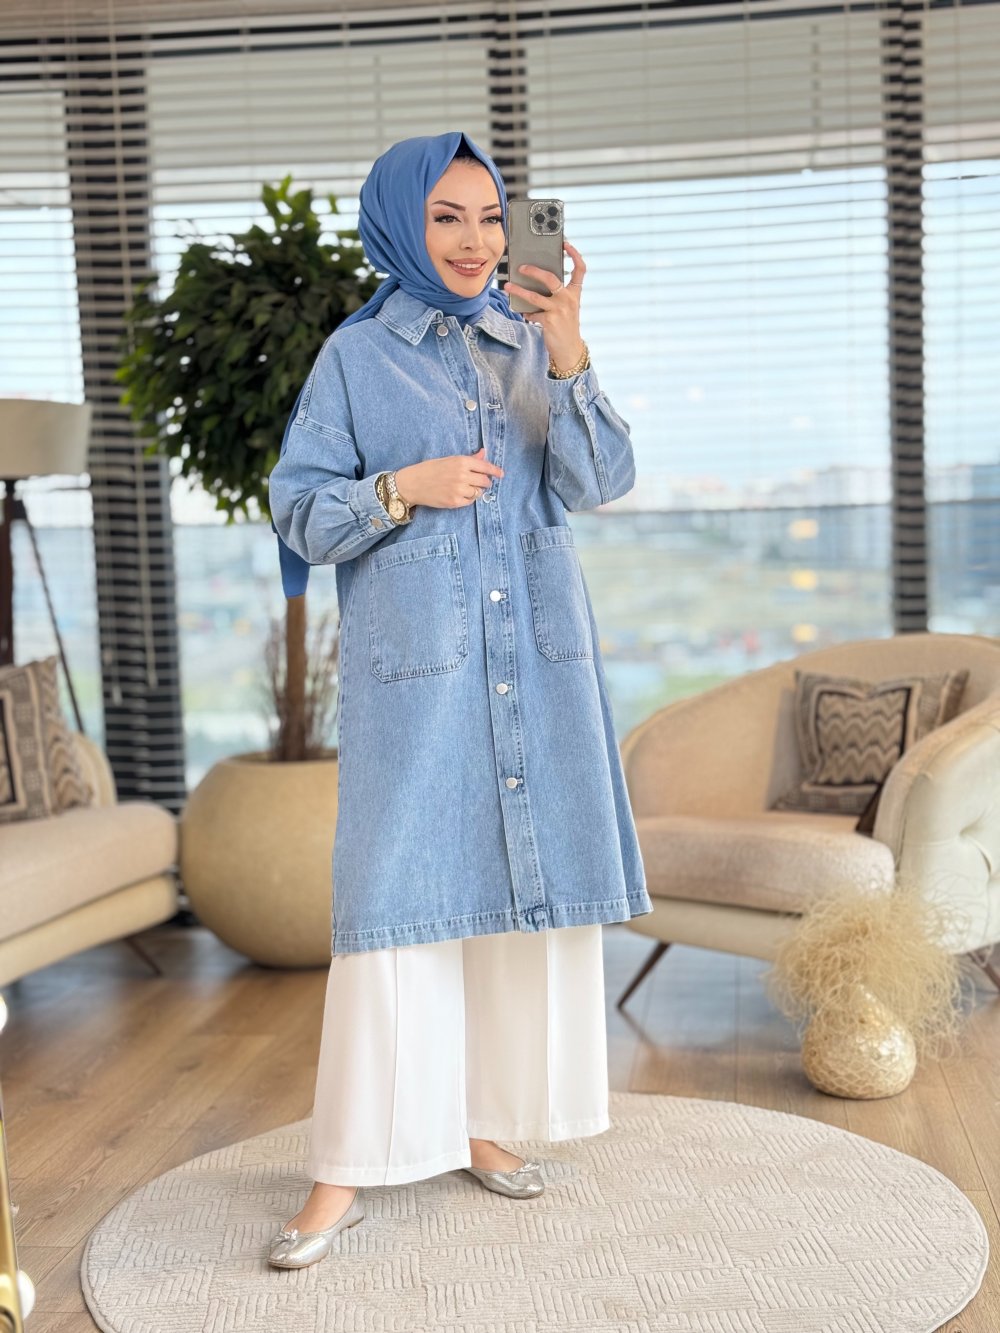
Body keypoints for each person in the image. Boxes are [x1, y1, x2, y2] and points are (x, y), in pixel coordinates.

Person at [265, 131, 652, 1270]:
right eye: (447, 217)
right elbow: (301, 511)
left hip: (535, 661)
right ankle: (343, 1171)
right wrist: (402, 488)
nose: (476, 240)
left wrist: (570, 353)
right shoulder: (354, 358)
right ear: (400, 223)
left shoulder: (532, 340)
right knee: (396, 908)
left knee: (513, 906)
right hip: (420, 675)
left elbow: (600, 481)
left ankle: (483, 1124)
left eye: (490, 216)